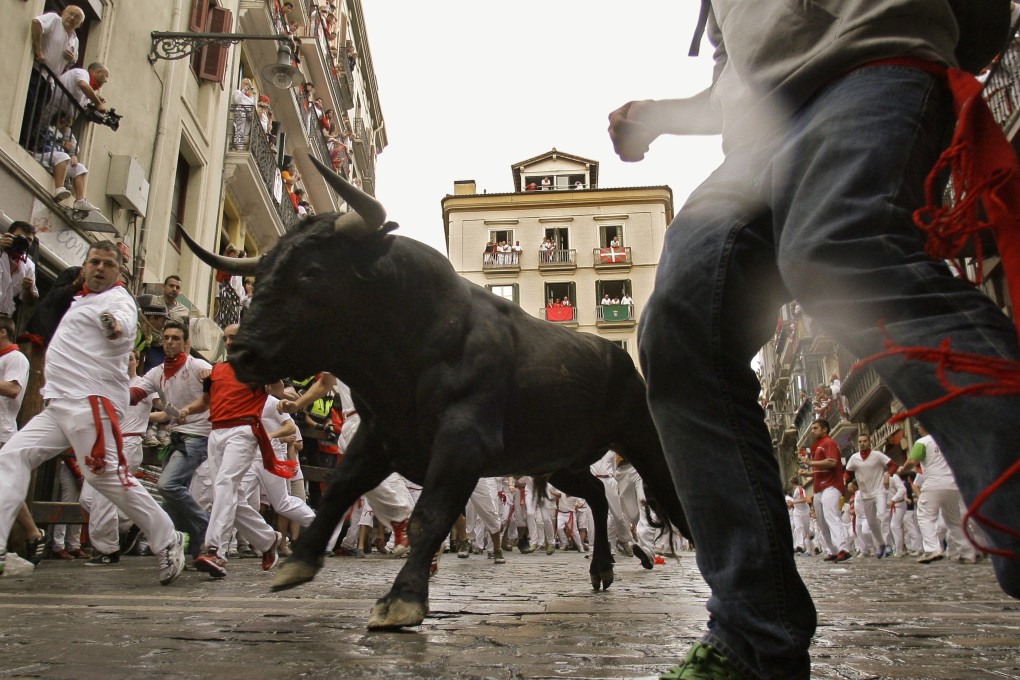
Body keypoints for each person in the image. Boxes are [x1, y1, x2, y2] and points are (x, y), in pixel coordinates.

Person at [608, 3, 1020, 677]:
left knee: (839, 252)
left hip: (871, 69)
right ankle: (752, 636)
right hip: (755, 139)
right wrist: (660, 114)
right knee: (678, 324)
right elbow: (731, 80)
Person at [0, 241, 186, 583]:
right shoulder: (80, 300)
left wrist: (111, 326)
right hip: (59, 405)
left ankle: (166, 537)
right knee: (11, 456)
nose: (100, 268)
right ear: (84, 267)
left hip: (90, 404)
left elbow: (121, 329)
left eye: (107, 264)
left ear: (119, 272)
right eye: (94, 262)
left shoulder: (118, 300)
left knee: (105, 478)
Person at [177, 323, 290, 579]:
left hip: (244, 431)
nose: (229, 342)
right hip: (216, 432)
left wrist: (283, 396)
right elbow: (205, 402)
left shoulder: (258, 368)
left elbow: (279, 388)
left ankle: (216, 550)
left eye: (234, 338)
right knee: (229, 494)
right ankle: (267, 539)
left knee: (226, 484)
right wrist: (185, 410)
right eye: (226, 338)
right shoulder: (216, 371)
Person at [130, 320, 211, 561]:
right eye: (166, 337)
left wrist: (210, 376)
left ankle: (207, 527)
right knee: (172, 496)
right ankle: (195, 550)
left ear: (186, 343)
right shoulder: (157, 373)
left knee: (167, 485)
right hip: (177, 437)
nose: (169, 342)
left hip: (199, 435)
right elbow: (136, 395)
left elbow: (212, 390)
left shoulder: (198, 365)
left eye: (175, 338)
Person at [902, 424, 977, 564]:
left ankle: (932, 549)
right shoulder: (948, 440)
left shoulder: (922, 442)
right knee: (954, 520)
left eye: (918, 427)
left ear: (921, 428)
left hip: (934, 484)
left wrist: (903, 469)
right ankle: (968, 552)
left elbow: (912, 461)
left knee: (925, 515)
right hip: (953, 485)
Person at [799, 420, 850, 564]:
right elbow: (820, 469)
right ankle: (833, 551)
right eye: (812, 428)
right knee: (822, 521)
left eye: (815, 428)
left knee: (831, 515)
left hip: (832, 486)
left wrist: (810, 463)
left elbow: (832, 462)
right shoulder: (817, 446)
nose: (812, 430)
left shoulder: (829, 443)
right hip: (818, 487)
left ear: (825, 429)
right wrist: (808, 473)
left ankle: (843, 549)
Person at [845, 433, 897, 558]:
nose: (862, 443)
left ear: (869, 442)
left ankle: (889, 545)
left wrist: (887, 475)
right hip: (865, 493)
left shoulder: (877, 455)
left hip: (879, 490)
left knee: (883, 515)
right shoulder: (854, 458)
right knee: (872, 522)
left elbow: (893, 465)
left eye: (864, 441)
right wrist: (846, 483)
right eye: (860, 441)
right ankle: (881, 544)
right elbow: (847, 472)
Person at [35, 111, 97, 211]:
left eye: (68, 125)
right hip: (42, 155)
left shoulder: (64, 134)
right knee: (63, 156)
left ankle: (80, 201)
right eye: (65, 124)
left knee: (80, 168)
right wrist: (63, 145)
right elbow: (43, 145)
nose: (67, 127)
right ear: (59, 121)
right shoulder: (48, 129)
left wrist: (73, 155)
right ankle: (59, 188)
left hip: (57, 160)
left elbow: (75, 147)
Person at [0, 222, 39, 319]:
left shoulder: (29, 266)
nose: (24, 241)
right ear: (10, 235)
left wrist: (28, 289)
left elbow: (29, 301)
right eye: (20, 237)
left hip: (4, 315)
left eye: (29, 240)